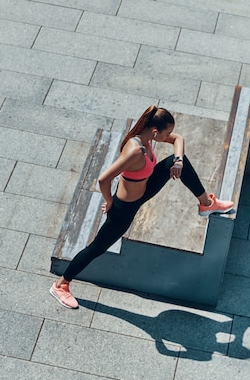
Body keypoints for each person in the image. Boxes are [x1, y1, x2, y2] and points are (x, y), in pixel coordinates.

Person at [50, 105, 235, 309]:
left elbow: (178, 139)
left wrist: (179, 162)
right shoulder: (135, 150)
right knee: (97, 248)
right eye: (166, 133)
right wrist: (110, 201)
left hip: (144, 188)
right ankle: (61, 284)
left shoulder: (149, 137)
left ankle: (206, 204)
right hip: (124, 208)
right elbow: (103, 179)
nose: (169, 136)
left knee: (180, 161)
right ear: (155, 132)